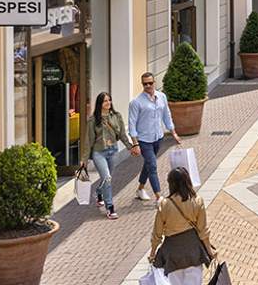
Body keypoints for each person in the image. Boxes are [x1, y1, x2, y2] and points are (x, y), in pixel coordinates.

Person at [149, 166, 215, 285]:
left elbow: (156, 234)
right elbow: (203, 231)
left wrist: (152, 254)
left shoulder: (164, 204)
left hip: (172, 254)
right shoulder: (197, 201)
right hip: (193, 251)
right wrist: (209, 251)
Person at [129, 72, 182, 203]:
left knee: (148, 164)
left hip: (158, 137)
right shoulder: (136, 102)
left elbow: (166, 115)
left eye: (150, 83)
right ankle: (159, 197)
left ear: (154, 82)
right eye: (145, 84)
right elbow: (131, 124)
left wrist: (173, 132)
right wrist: (135, 143)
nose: (148, 86)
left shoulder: (162, 97)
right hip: (144, 140)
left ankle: (140, 189)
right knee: (152, 165)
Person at [90, 91, 138, 219]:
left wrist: (130, 147)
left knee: (108, 178)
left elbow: (122, 134)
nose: (108, 103)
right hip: (98, 153)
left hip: (112, 151)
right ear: (100, 103)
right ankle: (110, 208)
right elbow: (88, 140)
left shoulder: (117, 116)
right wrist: (83, 160)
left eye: (109, 100)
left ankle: (99, 193)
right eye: (105, 101)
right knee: (107, 178)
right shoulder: (93, 120)